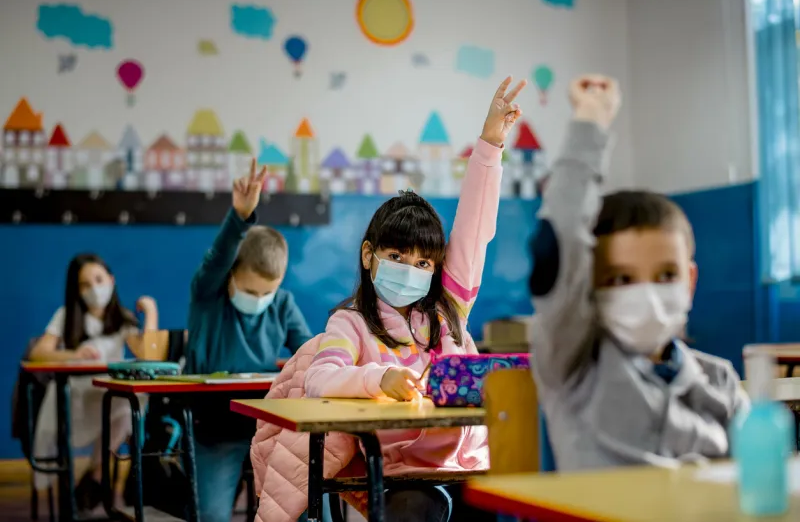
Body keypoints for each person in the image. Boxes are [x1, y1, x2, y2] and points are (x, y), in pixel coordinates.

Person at [250, 75, 527, 522]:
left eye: (423, 262)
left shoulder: (448, 308)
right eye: (396, 256)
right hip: (405, 476)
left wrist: (491, 143)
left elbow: (475, 228)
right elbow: (320, 378)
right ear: (369, 255)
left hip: (471, 465)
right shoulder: (351, 324)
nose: (410, 270)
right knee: (413, 509)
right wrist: (379, 379)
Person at [528, 74, 750, 471]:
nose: (646, 292)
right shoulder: (575, 366)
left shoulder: (720, 383)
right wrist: (591, 119)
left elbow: (754, 484)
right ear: (586, 287)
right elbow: (560, 241)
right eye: (620, 279)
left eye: (665, 275)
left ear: (690, 282)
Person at [185, 162, 313, 522]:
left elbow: (308, 350)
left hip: (269, 426)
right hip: (214, 428)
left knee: (299, 507)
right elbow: (217, 258)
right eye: (250, 290)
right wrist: (240, 217)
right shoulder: (208, 295)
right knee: (211, 516)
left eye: (266, 292)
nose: (259, 300)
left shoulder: (282, 303)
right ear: (231, 275)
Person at [29, 253, 158, 511]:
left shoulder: (122, 319)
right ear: (77, 290)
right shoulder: (66, 315)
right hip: (75, 397)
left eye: (98, 280)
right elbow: (38, 352)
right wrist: (72, 355)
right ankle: (96, 480)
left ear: (111, 280)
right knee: (123, 406)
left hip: (108, 396)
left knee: (130, 405)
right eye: (85, 285)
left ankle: (96, 473)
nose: (94, 289)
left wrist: (151, 311)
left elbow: (148, 355)